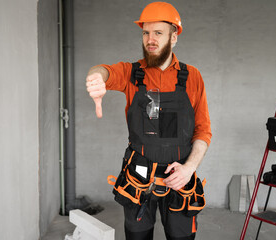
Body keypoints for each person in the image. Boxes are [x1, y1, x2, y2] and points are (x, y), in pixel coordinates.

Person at [85, 2, 212, 240]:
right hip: (138, 181)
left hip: (180, 181)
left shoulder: (192, 77)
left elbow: (203, 130)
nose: (150, 39)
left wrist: (189, 168)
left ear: (174, 37)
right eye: (145, 32)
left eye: (158, 33)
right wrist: (96, 79)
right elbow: (103, 70)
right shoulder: (131, 73)